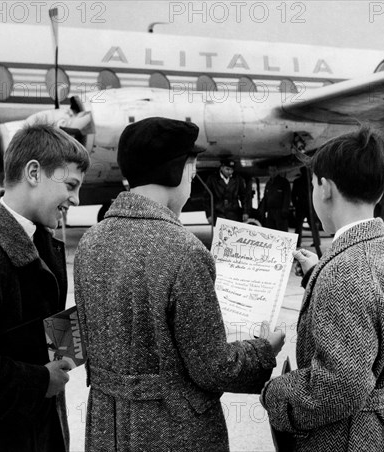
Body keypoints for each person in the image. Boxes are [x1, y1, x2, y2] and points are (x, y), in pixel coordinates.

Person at [74, 117, 285, 451]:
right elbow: (214, 367)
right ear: (179, 171)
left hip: (105, 425)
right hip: (172, 429)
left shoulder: (90, 242)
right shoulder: (183, 251)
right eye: (192, 168)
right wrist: (264, 351)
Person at [261, 128, 384, 451]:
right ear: (379, 191)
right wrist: (317, 274)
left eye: (312, 184)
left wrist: (275, 392)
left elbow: (339, 386)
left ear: (324, 188)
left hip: (351, 437)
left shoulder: (345, 271)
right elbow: (376, 309)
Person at [0, 124, 90, 451]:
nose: (76, 199)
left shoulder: (45, 242)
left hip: (43, 429)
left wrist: (79, 341)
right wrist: (40, 381)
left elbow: (46, 324)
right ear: (34, 172)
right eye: (71, 185)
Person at [204, 158, 250, 225]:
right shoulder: (212, 179)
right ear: (221, 168)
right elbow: (206, 198)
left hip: (234, 214)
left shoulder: (237, 179)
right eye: (227, 169)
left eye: (231, 170)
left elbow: (243, 196)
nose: (230, 172)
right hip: (218, 214)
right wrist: (208, 215)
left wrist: (245, 212)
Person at [260, 165, 291, 231]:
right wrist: (263, 211)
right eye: (271, 170)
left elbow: (287, 197)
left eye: (274, 170)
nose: (272, 172)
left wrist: (285, 211)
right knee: (271, 231)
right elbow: (265, 198)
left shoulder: (284, 182)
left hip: (280, 212)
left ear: (277, 171)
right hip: (270, 212)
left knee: (281, 231)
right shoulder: (268, 184)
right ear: (269, 172)